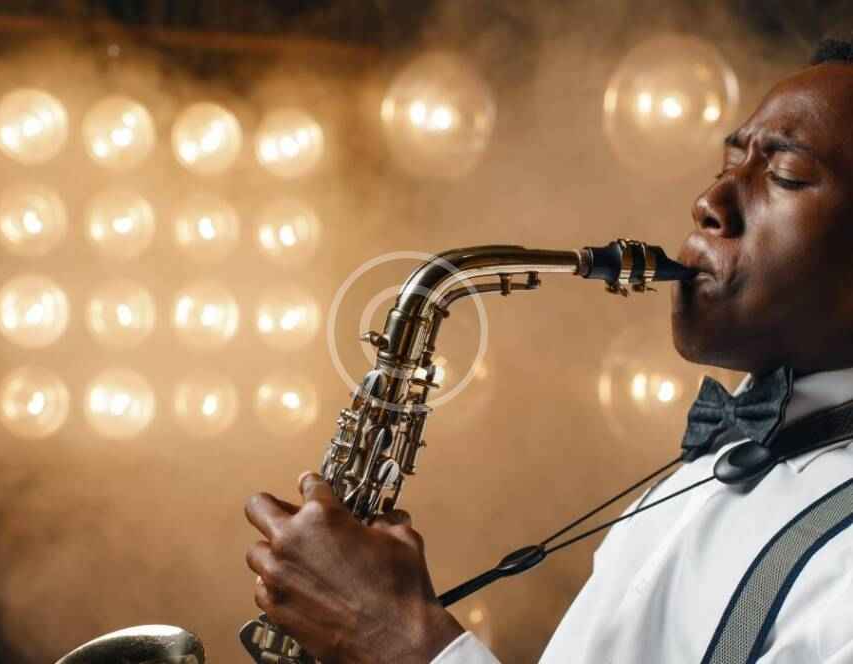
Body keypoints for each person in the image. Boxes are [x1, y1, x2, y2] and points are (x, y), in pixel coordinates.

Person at [244, 37, 853, 663]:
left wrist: (396, 638)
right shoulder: (702, 473)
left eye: (785, 175)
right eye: (727, 166)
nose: (709, 203)